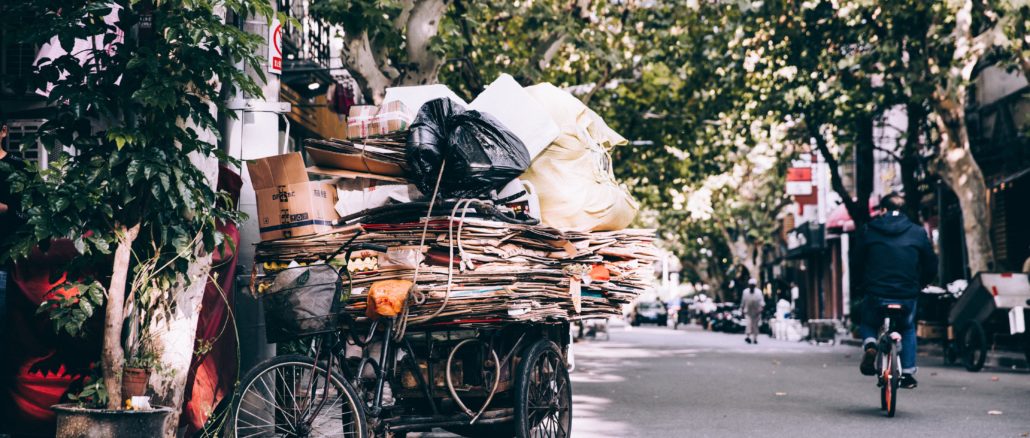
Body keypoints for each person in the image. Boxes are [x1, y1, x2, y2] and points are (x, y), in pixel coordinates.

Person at [853, 193, 937, 389]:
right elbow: (931, 264)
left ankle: (871, 345)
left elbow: (857, 262)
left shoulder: (869, 230)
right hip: (907, 294)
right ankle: (907, 373)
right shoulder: (917, 232)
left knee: (867, 321)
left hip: (876, 292)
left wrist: (859, 285)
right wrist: (921, 283)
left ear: (882, 210)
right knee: (907, 328)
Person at [740, 278, 764, 344]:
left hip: (756, 312)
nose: (752, 286)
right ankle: (748, 336)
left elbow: (762, 302)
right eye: (751, 285)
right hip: (748, 312)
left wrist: (761, 309)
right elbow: (743, 302)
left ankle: (755, 338)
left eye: (753, 285)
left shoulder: (759, 292)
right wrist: (742, 310)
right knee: (748, 324)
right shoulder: (745, 292)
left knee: (755, 326)